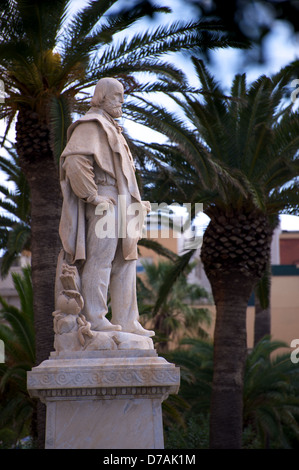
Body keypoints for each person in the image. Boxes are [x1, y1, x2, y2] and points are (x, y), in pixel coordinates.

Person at [58, 77, 154, 337]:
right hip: (106, 201)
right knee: (101, 259)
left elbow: (123, 174)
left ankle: (127, 320)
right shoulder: (91, 125)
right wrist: (92, 196)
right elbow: (75, 163)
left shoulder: (113, 128)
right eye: (117, 96)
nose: (122, 101)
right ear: (101, 96)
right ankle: (96, 317)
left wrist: (136, 201)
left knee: (126, 261)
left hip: (122, 201)